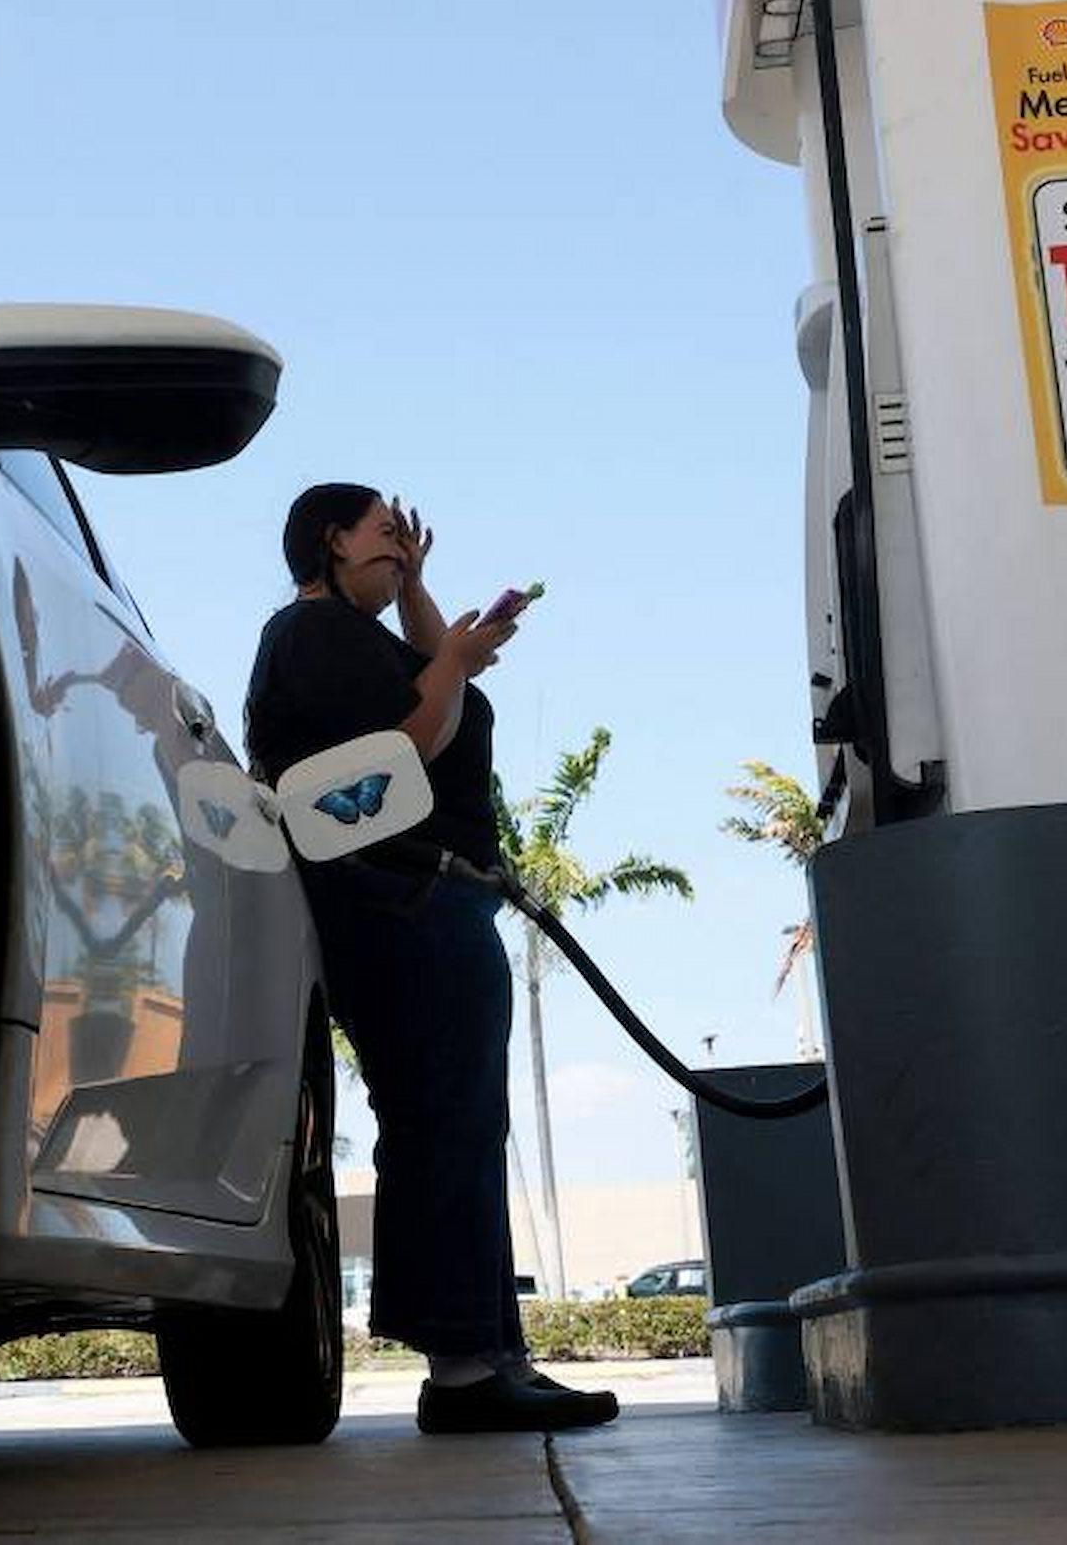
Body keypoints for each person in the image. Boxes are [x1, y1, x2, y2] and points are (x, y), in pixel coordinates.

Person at [244, 483, 619, 1434]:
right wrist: (452, 656)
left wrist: (428, 608)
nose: (400, 552)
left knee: (458, 1119)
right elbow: (403, 752)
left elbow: (420, 679)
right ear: (331, 542)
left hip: (425, 897)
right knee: (446, 1117)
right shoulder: (313, 636)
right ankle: (464, 1367)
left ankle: (487, 1353)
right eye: (383, 536)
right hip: (403, 896)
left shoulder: (358, 639)